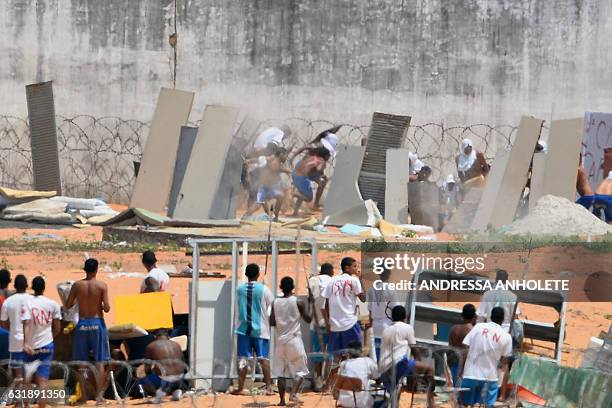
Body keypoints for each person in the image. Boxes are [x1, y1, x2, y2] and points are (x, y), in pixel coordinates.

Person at [65, 258, 111, 403]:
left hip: (83, 323)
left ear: (84, 269)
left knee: (81, 362)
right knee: (100, 361)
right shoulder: (102, 286)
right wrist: (101, 306)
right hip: (97, 323)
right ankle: (99, 396)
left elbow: (68, 305)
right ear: (96, 269)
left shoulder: (77, 285)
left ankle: (83, 395)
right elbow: (107, 308)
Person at [379, 306, 436, 408]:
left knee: (394, 396)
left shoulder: (386, 330)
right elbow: (414, 350)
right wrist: (420, 372)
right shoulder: (407, 328)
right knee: (429, 369)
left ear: (392, 317)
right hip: (399, 365)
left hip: (384, 370)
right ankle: (431, 403)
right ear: (405, 317)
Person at [232, 263, 274, 395]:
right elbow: (272, 304)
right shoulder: (264, 289)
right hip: (261, 329)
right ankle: (269, 388)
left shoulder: (239, 290)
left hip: (243, 329)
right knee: (263, 359)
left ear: (246, 275)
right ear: (258, 275)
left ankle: (240, 387)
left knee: (243, 359)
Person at [270, 277, 313, 406]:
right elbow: (308, 319)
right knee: (301, 369)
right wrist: (310, 302)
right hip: (294, 340)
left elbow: (271, 322)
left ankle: (282, 400)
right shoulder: (298, 302)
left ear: (281, 287)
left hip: (280, 341)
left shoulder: (275, 302)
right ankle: (293, 394)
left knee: (280, 372)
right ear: (293, 287)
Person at [460, 307, 512, 407]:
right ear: (503, 320)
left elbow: (465, 349)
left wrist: (461, 370)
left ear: (491, 317)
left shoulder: (478, 327)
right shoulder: (506, 337)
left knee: (464, 404)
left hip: (470, 375)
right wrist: (503, 394)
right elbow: (506, 365)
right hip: (490, 379)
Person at [22, 276, 61, 407]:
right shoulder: (53, 304)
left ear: (32, 288)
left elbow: (26, 324)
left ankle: (26, 405)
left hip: (31, 347)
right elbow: (57, 328)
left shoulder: (27, 303)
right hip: (47, 345)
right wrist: (50, 338)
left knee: (27, 379)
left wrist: (26, 343)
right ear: (44, 288)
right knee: (43, 380)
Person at [322, 257, 366, 359]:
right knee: (355, 354)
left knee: (338, 357)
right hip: (350, 323)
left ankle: (338, 374)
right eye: (354, 266)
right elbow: (363, 298)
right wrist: (361, 279)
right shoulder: (354, 280)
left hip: (335, 325)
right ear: (347, 268)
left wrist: (328, 323)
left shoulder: (332, 281)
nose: (357, 269)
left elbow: (326, 305)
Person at [0, 274, 32, 383]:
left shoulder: (8, 301)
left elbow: (3, 323)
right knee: (30, 370)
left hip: (14, 340)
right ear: (27, 285)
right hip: (31, 339)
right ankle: (30, 397)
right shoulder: (33, 299)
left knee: (17, 373)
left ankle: (19, 398)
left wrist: (11, 332)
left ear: (15, 286)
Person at [244, 145, 290, 221]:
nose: (286, 158)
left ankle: (275, 216)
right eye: (285, 156)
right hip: (264, 187)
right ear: (281, 154)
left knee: (280, 197)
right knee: (258, 204)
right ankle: (245, 216)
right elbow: (275, 167)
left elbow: (262, 160)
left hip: (270, 187)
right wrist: (286, 171)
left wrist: (250, 161)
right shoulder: (273, 160)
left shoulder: (275, 160)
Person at [139, 329, 185, 402]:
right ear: (168, 336)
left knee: (142, 380)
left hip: (164, 379)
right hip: (180, 377)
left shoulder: (151, 346)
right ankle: (176, 391)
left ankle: (158, 395)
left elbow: (147, 368)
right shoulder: (177, 345)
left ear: (155, 336)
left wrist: (150, 375)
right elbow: (183, 362)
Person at [308, 262, 334, 388]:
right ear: (331, 272)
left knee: (318, 353)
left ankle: (318, 380)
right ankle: (327, 382)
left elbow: (310, 298)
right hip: (332, 323)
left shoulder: (313, 280)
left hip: (316, 323)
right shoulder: (334, 281)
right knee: (331, 354)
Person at [367, 268, 400, 362]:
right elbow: (396, 309)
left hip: (375, 324)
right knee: (387, 353)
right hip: (387, 323)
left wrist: (371, 325)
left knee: (376, 352)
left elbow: (370, 310)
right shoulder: (390, 289)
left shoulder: (371, 289)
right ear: (389, 274)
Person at [336, 341, 379, 408]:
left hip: (344, 401)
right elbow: (377, 377)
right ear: (361, 351)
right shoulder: (368, 361)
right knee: (381, 397)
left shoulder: (343, 364)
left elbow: (338, 384)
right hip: (362, 403)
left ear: (349, 353)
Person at [291, 146, 331, 216]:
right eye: (329, 156)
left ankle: (295, 212)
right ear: (325, 156)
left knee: (302, 194)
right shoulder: (321, 160)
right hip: (302, 177)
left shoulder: (310, 156)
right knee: (308, 198)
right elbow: (319, 169)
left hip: (295, 174)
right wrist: (323, 168)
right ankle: (293, 194)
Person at [448, 304, 476, 386]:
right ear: (474, 316)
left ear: (462, 315)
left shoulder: (453, 329)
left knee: (456, 392)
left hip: (455, 364)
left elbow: (450, 348)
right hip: (469, 368)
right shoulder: (474, 331)